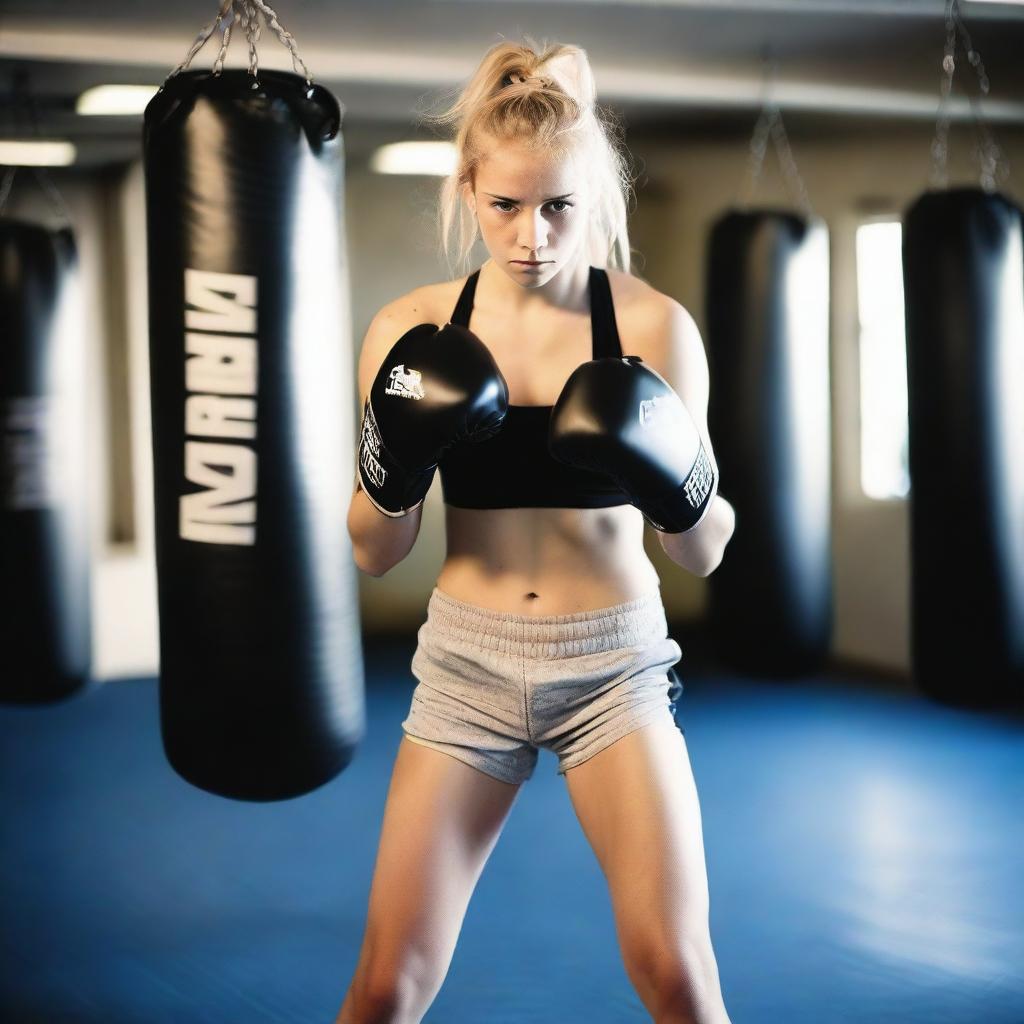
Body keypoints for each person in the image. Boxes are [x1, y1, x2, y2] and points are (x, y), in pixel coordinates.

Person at [340, 38, 736, 1024]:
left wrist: (676, 483)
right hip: (466, 666)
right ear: (468, 188)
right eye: (505, 205)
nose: (530, 235)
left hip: (613, 668)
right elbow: (373, 548)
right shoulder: (411, 328)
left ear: (592, 195)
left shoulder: (650, 328)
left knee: (675, 971)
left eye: (558, 206)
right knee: (388, 983)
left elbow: (706, 546)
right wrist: (396, 461)